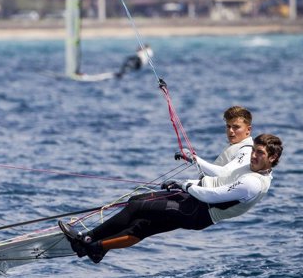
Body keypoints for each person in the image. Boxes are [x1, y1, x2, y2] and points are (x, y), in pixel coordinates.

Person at [59, 133, 283, 264]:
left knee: (137, 206)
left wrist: (185, 185)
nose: (254, 155)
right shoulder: (254, 170)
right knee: (142, 224)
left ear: (272, 158)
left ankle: (87, 240)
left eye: (260, 153)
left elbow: (214, 196)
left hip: (198, 212)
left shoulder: (253, 183)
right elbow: (222, 175)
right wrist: (194, 161)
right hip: (195, 204)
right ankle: (99, 248)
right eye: (254, 150)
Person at [179, 106, 254, 178]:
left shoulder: (247, 151)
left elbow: (224, 174)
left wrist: (194, 158)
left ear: (248, 130)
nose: (230, 131)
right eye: (228, 126)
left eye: (236, 127)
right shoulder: (236, 146)